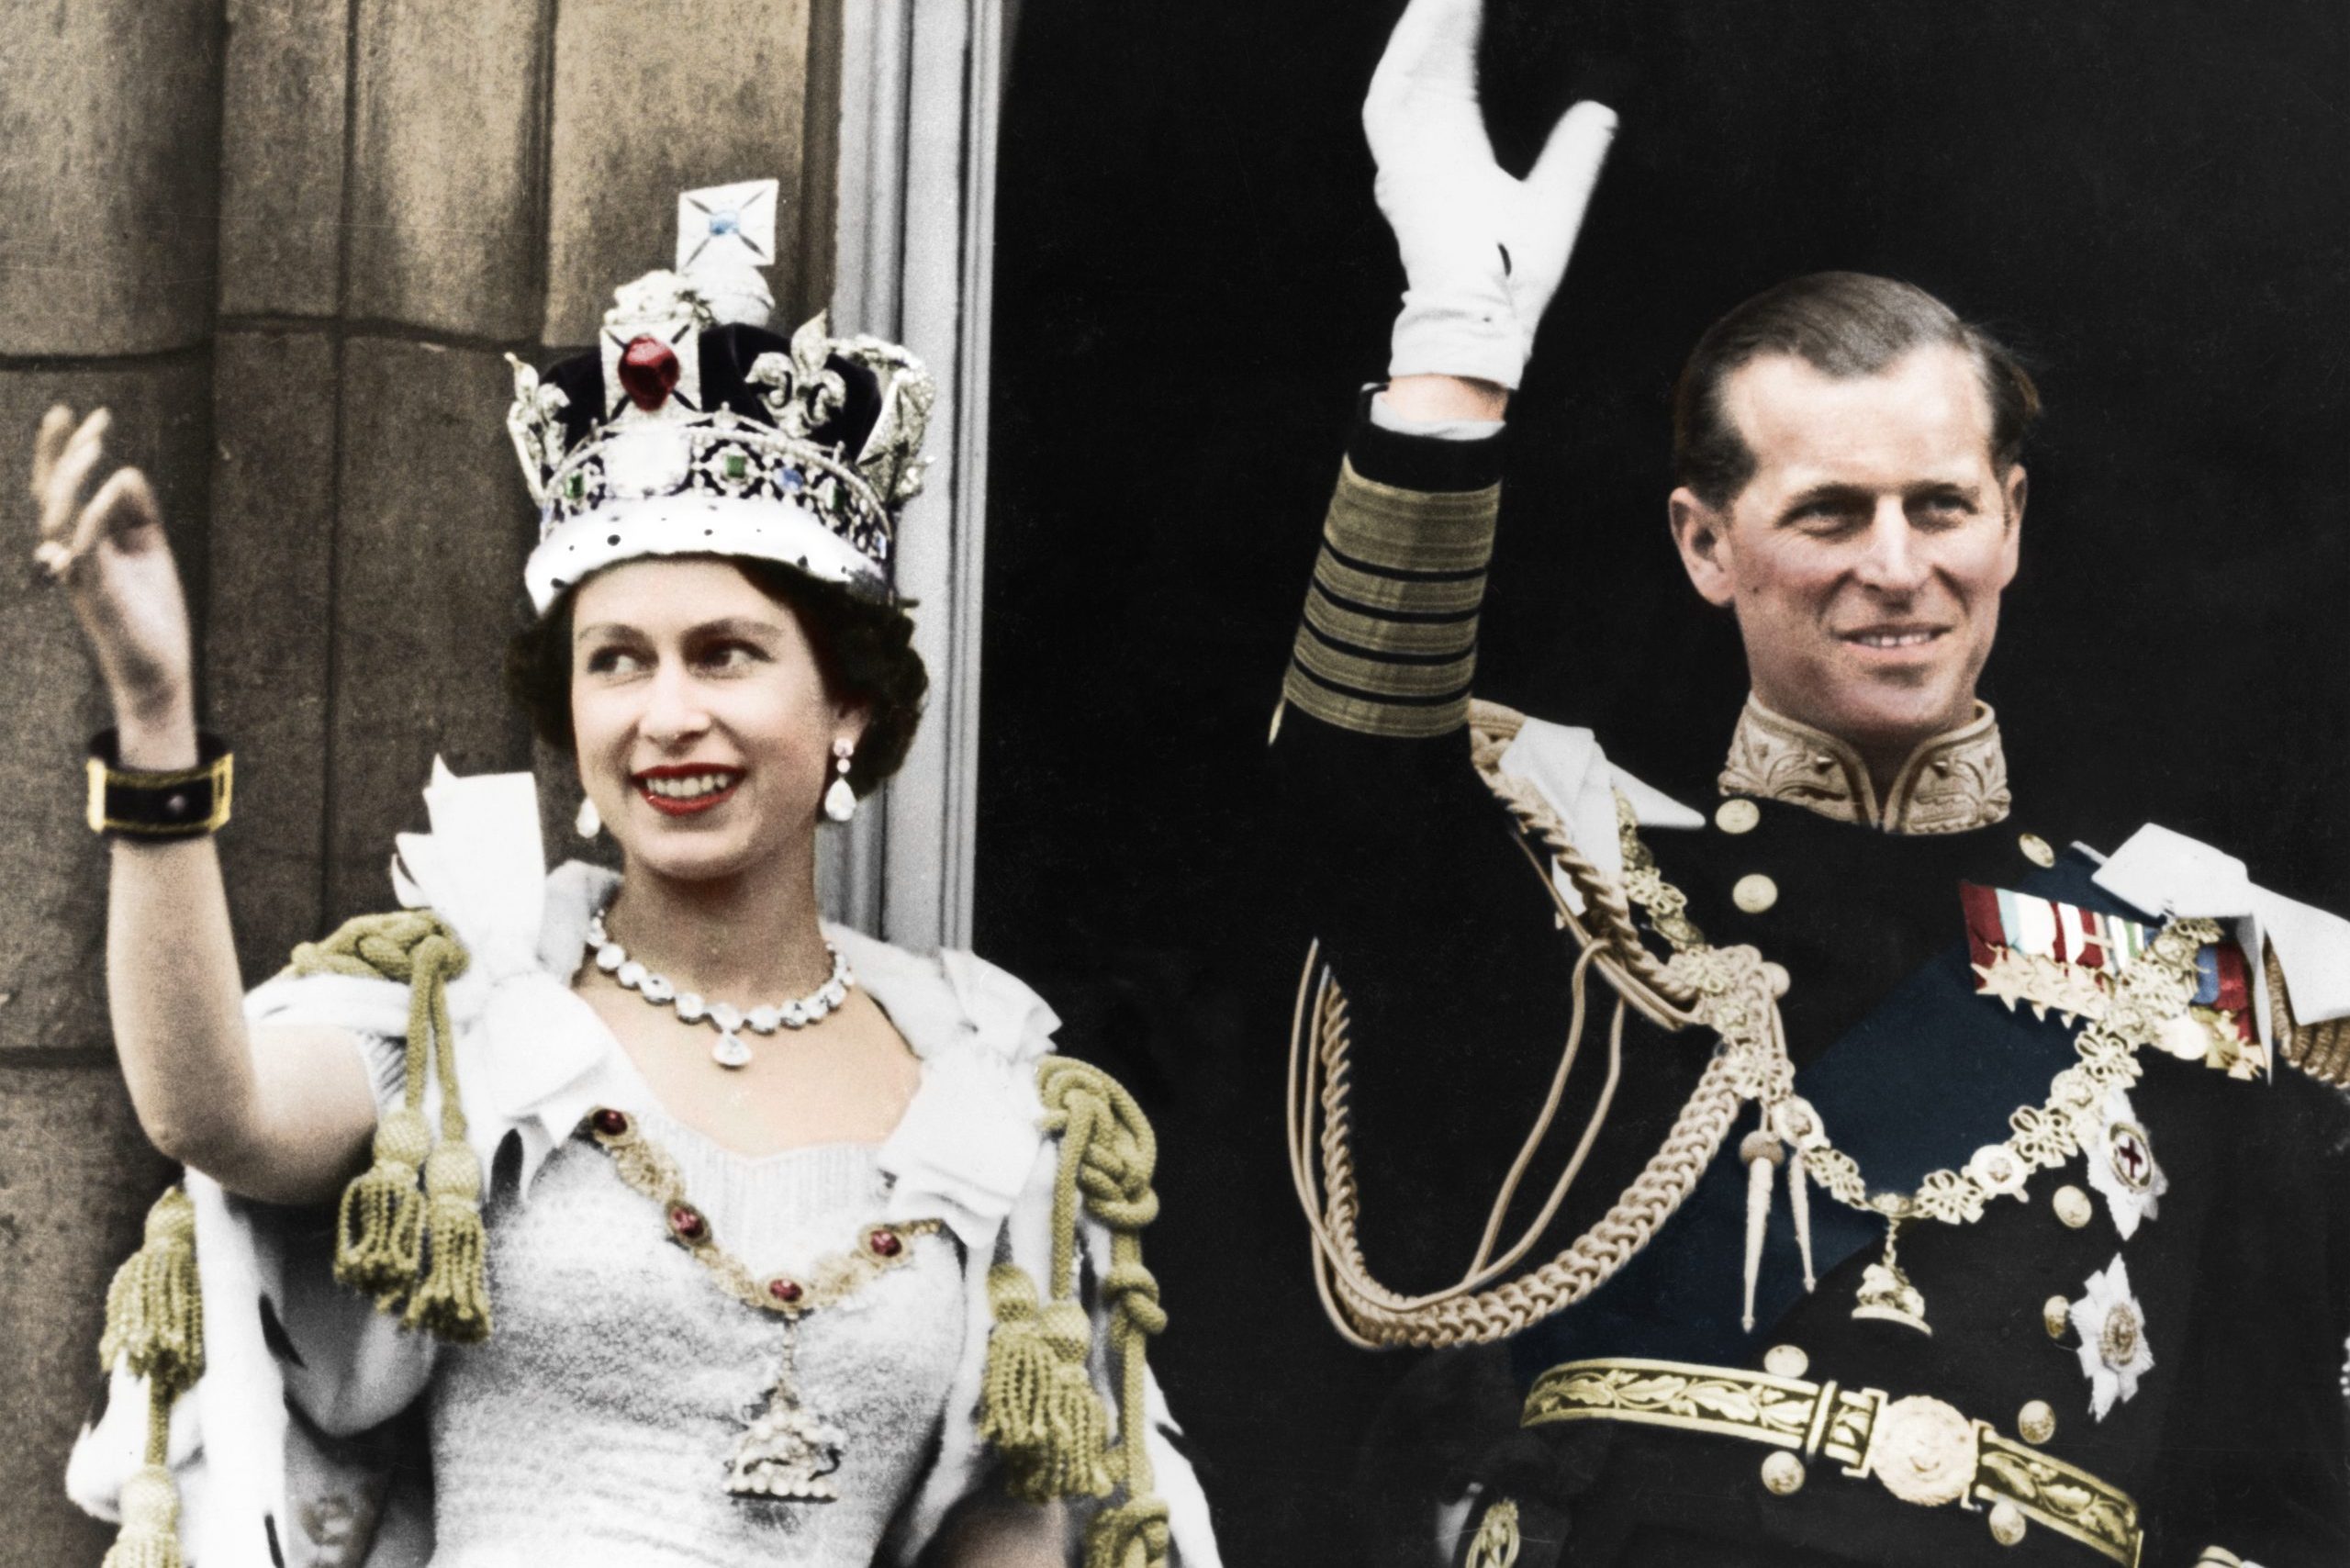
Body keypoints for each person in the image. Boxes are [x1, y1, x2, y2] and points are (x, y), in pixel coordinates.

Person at [1270, 1, 2350, 1563]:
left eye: (1940, 506)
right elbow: (1342, 806)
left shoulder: (2210, 976)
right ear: (1710, 544)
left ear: (2012, 526)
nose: (1898, 569)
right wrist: (1452, 362)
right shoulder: (1594, 895)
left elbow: (2279, 1499)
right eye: (1831, 512)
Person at [45, 185, 1219, 1568]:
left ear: (846, 708)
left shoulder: (982, 1086)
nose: (666, 714)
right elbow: (210, 1109)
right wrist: (157, 725)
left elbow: (1003, 1530)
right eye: (618, 661)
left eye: (724, 652)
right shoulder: (469, 1016)